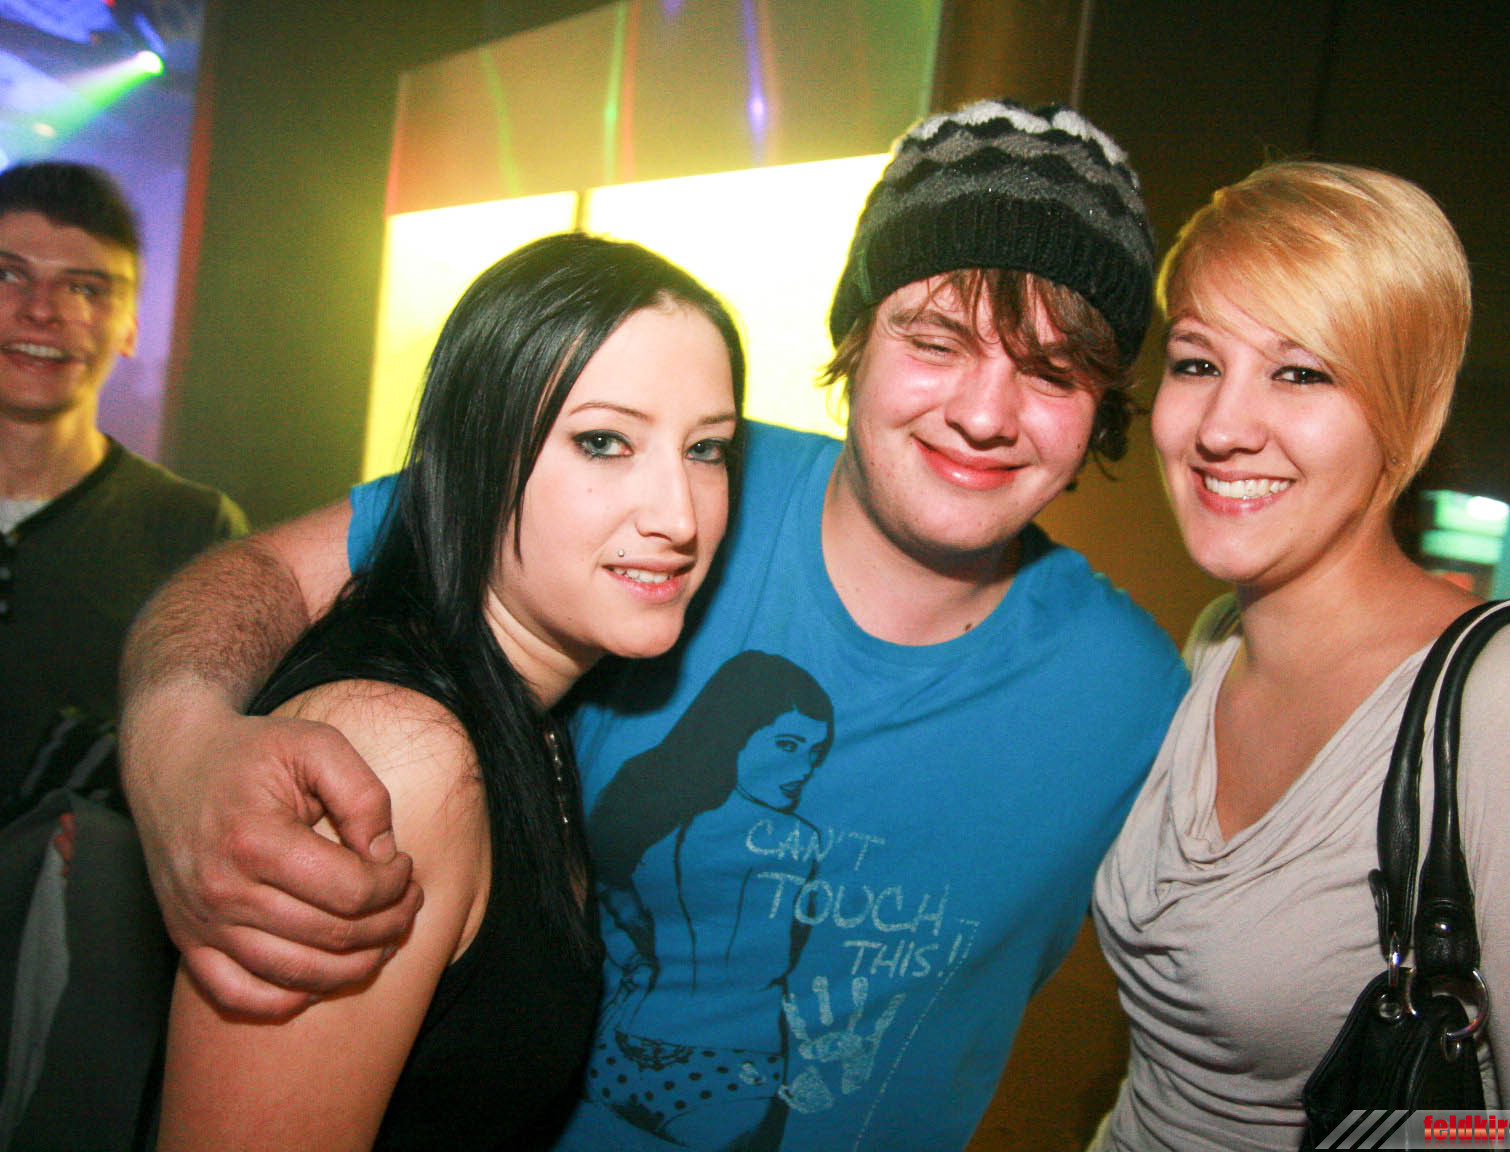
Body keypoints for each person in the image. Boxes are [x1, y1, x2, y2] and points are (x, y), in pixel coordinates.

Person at [120, 99, 1189, 1150]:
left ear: (1103, 408)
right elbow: (271, 572)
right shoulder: (665, 478)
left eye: (1052, 370)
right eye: (938, 340)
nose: (986, 413)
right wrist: (177, 737)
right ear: (856, 340)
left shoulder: (1135, 696)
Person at [1090, 161, 1510, 1151]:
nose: (1222, 428)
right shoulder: (1215, 643)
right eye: (1197, 362)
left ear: (1404, 413)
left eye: (1301, 372)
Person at [154, 232, 745, 1151]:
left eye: (706, 449)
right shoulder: (397, 753)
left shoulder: (529, 717)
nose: (678, 516)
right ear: (473, 453)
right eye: (603, 442)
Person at [0, 160, 245, 810]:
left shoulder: (193, 531)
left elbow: (213, 770)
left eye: (85, 288)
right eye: (8, 275)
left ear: (131, 325)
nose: (42, 311)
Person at [586, 650, 836, 1146]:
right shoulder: (795, 839)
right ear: (734, 732)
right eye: (787, 745)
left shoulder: (653, 813)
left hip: (629, 1041)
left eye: (814, 752)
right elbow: (778, 958)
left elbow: (603, 898)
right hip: (723, 1063)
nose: (804, 768)